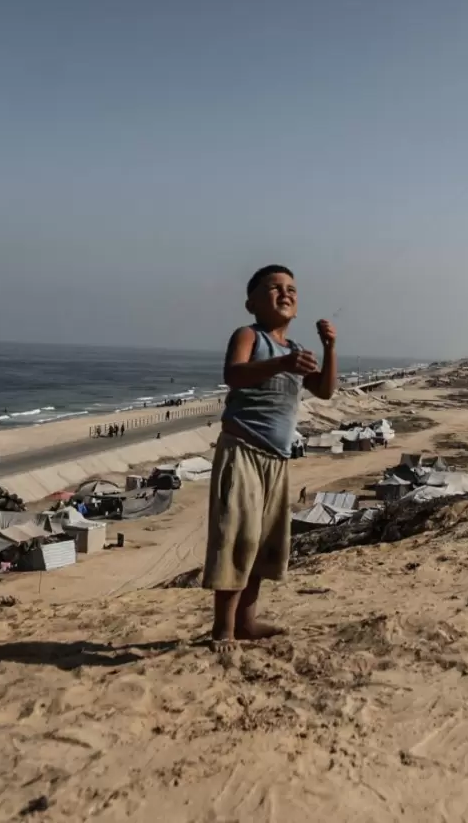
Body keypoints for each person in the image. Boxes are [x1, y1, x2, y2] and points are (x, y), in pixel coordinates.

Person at [204, 264, 336, 649]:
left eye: (291, 288)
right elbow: (234, 374)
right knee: (238, 537)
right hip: (242, 451)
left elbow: (325, 391)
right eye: (274, 288)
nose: (285, 293)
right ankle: (223, 629)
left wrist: (329, 347)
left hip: (277, 459)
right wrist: (281, 364)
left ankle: (247, 622)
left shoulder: (295, 350)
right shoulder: (249, 335)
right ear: (251, 303)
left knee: (263, 543)